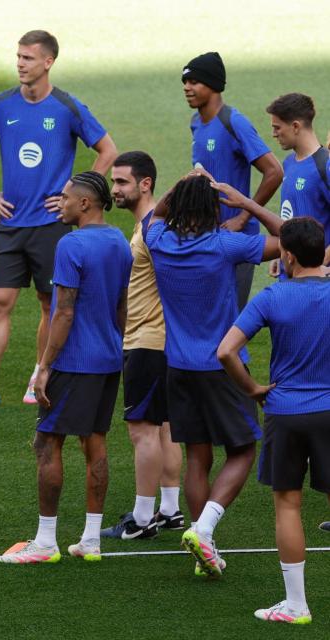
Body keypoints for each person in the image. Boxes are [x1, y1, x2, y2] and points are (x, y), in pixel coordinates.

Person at [0, 30, 117, 408]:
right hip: (11, 222)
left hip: (51, 226)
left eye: (28, 58)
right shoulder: (2, 105)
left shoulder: (66, 107)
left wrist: (75, 190)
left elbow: (108, 150)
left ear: (48, 62)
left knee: (50, 302)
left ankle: (38, 377)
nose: (20, 64)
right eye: (18, 56)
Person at [144, 173, 280, 577]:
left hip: (178, 367)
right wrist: (247, 204)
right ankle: (203, 530)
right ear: (213, 208)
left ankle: (203, 547)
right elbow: (290, 240)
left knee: (197, 457)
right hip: (223, 368)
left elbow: (155, 214)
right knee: (243, 451)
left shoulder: (158, 240)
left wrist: (183, 185)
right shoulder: (226, 244)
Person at [0, 172, 131, 564]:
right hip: (108, 358)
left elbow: (64, 312)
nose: (61, 203)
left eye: (66, 198)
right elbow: (121, 305)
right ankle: (90, 540)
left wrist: (44, 366)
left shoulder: (71, 244)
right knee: (95, 441)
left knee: (47, 442)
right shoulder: (119, 241)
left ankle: (45, 542)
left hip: (75, 361)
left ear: (85, 203)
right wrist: (117, 345)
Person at [218, 217, 330, 624]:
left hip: (285, 413)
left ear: (289, 256)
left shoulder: (272, 296)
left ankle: (296, 605)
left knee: (288, 504)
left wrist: (252, 389)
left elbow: (226, 351)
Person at [101, 152, 184, 540]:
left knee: (142, 432)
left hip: (147, 342)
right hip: (157, 341)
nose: (114, 189)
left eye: (121, 182)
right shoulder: (149, 226)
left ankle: (141, 518)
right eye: (113, 182)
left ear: (145, 184)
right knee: (164, 428)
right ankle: (169, 509)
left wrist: (189, 178)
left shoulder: (153, 226)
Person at [182, 51, 282, 309]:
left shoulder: (233, 122)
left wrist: (242, 218)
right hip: (204, 236)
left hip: (236, 240)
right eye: (185, 82)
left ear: (213, 85)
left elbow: (274, 171)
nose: (186, 87)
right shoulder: (196, 123)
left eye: (194, 82)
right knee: (205, 314)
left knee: (230, 318)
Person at [264, 93, 330, 277]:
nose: (274, 134)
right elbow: (289, 215)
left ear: (295, 126)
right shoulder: (289, 163)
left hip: (315, 280)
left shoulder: (324, 166)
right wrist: (280, 252)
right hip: (288, 274)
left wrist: (319, 265)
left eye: (277, 127)